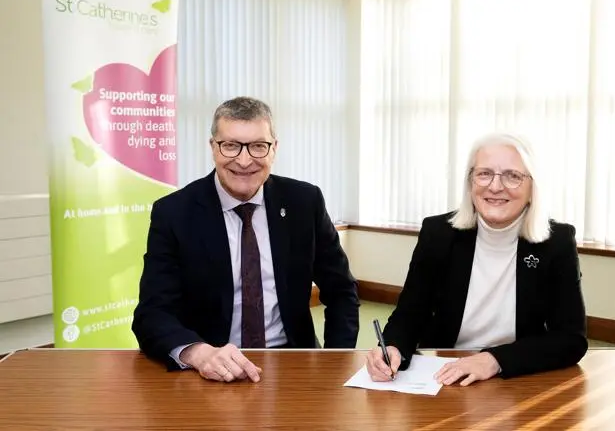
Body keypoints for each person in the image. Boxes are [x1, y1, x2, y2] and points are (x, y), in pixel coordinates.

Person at [133, 96, 359, 382]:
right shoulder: (175, 213)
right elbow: (152, 313)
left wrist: (335, 361)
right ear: (213, 147)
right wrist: (198, 353)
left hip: (293, 361)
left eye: (257, 146)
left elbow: (341, 291)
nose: (244, 160)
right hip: (210, 369)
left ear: (274, 148)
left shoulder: (304, 202)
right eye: (230, 145)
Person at [366, 132, 587, 384]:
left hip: (518, 373)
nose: (494, 186)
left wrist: (494, 360)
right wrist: (393, 346)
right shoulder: (438, 233)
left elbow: (571, 339)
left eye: (512, 176)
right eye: (484, 174)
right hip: (446, 373)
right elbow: (410, 313)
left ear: (532, 188)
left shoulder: (556, 242)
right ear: (470, 182)